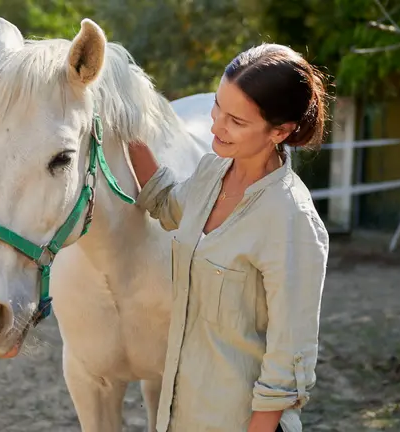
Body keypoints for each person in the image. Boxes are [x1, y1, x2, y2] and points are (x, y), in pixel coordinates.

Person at [128, 43, 330, 432]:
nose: (216, 127)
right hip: (179, 416)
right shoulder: (212, 172)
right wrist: (126, 123)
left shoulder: (290, 219)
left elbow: (290, 356)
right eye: (217, 108)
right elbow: (166, 204)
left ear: (281, 131)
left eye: (236, 120)